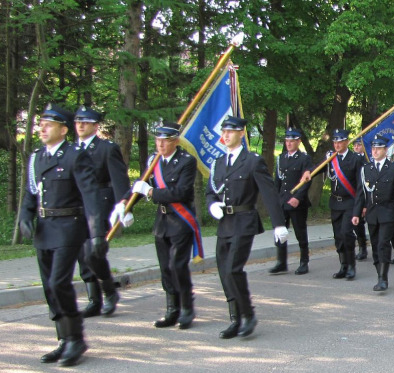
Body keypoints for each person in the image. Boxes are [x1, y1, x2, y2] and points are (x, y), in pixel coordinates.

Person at [19, 104, 107, 366]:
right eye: (41, 123)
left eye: (49, 124)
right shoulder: (37, 157)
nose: (42, 128)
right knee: (49, 288)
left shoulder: (75, 156)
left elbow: (91, 196)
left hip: (70, 228)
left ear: (63, 129)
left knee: (59, 283)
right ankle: (63, 339)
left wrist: (97, 234)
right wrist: (25, 216)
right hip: (45, 230)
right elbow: (31, 193)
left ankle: (76, 339)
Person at [205, 116, 290, 339]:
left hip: (244, 221)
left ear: (242, 133)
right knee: (224, 272)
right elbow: (210, 191)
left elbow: (269, 192)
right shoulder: (218, 163)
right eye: (223, 131)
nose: (226, 135)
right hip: (225, 223)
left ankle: (248, 315)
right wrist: (212, 204)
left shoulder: (252, 161)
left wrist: (279, 224)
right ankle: (235, 319)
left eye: (231, 131)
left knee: (233, 268)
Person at [122, 122, 201, 330]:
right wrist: (126, 204)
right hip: (162, 222)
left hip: (180, 221)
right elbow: (141, 184)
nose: (160, 144)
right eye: (158, 140)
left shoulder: (186, 161)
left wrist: (150, 193)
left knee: (177, 266)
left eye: (165, 140)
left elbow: (181, 192)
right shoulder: (153, 160)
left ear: (175, 141)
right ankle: (171, 310)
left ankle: (186, 308)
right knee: (165, 268)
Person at [73, 106, 128, 318]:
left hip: (99, 205)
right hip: (76, 206)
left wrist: (123, 203)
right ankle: (94, 300)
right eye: (78, 121)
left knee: (93, 251)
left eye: (85, 122)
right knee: (81, 254)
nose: (80, 125)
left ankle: (109, 292)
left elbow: (119, 179)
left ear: (95, 126)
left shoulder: (106, 148)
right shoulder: (71, 150)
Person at [357, 135, 394, 291]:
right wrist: (356, 213)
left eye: (378, 148)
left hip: (388, 213)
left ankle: (383, 278)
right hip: (372, 214)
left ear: (385, 150)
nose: (374, 151)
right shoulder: (366, 169)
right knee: (374, 246)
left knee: (383, 244)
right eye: (373, 148)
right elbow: (361, 194)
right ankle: (378, 272)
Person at [320, 129, 363, 279]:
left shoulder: (355, 159)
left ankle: (351, 265)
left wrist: (360, 207)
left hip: (350, 202)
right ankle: (343, 265)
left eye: (340, 142)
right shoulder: (330, 158)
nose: (337, 145)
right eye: (335, 142)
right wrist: (307, 173)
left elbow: (359, 186)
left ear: (346, 142)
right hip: (335, 202)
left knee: (346, 233)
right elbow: (317, 170)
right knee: (338, 236)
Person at [270, 128, 313, 275]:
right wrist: (275, 199)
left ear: (298, 141)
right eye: (287, 141)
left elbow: (306, 180)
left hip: (296, 202)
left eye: (292, 141)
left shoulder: (304, 158)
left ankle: (304, 262)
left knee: (300, 232)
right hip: (282, 201)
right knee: (280, 231)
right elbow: (278, 181)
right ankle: (281, 262)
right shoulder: (281, 158)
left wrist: (298, 197)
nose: (289, 143)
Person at [351, 137, 370, 260]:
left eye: (359, 145)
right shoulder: (351, 159)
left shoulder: (367, 160)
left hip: (365, 195)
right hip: (352, 195)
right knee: (356, 225)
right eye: (355, 146)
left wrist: (365, 204)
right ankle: (362, 247)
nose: (356, 147)